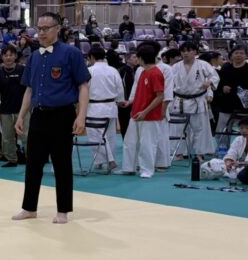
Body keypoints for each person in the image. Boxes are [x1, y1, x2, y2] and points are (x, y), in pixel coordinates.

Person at [12, 12, 91, 224]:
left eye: (46, 28)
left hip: (63, 115)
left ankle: (63, 210)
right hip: (38, 115)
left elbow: (83, 86)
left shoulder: (71, 53)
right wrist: (21, 116)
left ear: (57, 29)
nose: (41, 32)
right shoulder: (34, 57)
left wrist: (81, 116)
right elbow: (29, 89)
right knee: (33, 163)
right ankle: (29, 207)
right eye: (39, 28)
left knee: (62, 163)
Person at [117, 45, 167, 178]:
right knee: (129, 142)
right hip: (136, 113)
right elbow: (140, 94)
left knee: (147, 144)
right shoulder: (143, 72)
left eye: (137, 57)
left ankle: (147, 170)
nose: (136, 60)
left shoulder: (156, 73)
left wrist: (145, 112)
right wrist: (131, 105)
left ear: (142, 58)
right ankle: (128, 168)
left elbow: (160, 96)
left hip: (149, 116)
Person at [171, 42, 218, 159]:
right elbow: (168, 83)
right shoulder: (175, 67)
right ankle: (180, 153)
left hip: (198, 100)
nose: (185, 53)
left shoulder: (203, 64)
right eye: (183, 51)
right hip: (180, 101)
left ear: (195, 52)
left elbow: (214, 76)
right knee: (179, 128)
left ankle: (199, 153)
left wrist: (209, 82)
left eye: (188, 50)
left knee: (199, 128)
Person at [86, 45, 125, 171]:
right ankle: (102, 161)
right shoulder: (113, 70)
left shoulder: (89, 71)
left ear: (91, 57)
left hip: (94, 107)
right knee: (110, 136)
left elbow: (84, 90)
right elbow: (120, 89)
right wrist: (120, 101)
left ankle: (108, 160)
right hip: (111, 107)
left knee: (95, 136)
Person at [0, 45, 27, 167]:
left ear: (15, 56)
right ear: (2, 57)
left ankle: (31, 159)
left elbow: (29, 90)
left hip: (22, 110)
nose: (8, 58)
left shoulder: (23, 70)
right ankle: (12, 159)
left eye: (11, 55)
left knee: (26, 135)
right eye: (6, 55)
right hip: (5, 110)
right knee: (7, 137)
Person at [214, 46, 248, 150]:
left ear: (246, 55)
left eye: (241, 53)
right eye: (236, 53)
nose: (238, 55)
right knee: (221, 130)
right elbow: (218, 85)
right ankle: (223, 150)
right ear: (231, 56)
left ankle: (246, 150)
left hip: (245, 105)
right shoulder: (226, 68)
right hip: (227, 104)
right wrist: (223, 88)